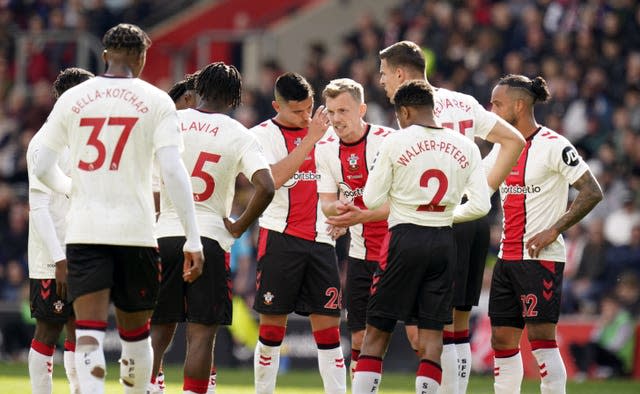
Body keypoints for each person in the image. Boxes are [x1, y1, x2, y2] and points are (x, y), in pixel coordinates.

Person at [33, 23, 204, 394]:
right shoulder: (157, 101)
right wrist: (193, 237)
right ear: (142, 58)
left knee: (89, 332)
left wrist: (71, 188)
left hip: (85, 230)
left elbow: (43, 165)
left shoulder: (73, 100)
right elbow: (174, 172)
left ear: (105, 55)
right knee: (135, 335)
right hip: (137, 232)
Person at [374, 40, 525, 394]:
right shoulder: (463, 101)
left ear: (399, 73)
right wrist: (480, 192)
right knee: (455, 325)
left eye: (383, 74)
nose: (381, 81)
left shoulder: (411, 109)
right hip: (469, 221)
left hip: (431, 222)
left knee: (422, 329)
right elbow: (514, 140)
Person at [351, 79, 491, 394]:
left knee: (377, 332)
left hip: (403, 238)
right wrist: (443, 215)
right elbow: (481, 205)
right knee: (432, 337)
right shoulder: (466, 145)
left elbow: (372, 200)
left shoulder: (396, 141)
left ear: (406, 110)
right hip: (443, 242)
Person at [150, 62, 275, 394]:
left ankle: (147, 387)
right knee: (202, 333)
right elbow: (266, 185)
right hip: (209, 239)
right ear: (234, 98)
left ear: (198, 91)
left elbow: (152, 186)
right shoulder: (239, 133)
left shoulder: (171, 121)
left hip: (164, 235)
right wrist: (239, 226)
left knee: (159, 326)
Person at [487, 74, 603, 394]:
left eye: (497, 103)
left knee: (540, 340)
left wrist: (555, 229)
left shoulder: (554, 145)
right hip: (505, 258)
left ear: (520, 105)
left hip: (539, 260)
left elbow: (592, 191)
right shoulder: (502, 148)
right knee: (502, 340)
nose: (491, 108)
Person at [250, 72, 346, 394]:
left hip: (322, 241)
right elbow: (272, 180)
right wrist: (309, 140)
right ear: (277, 105)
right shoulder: (261, 136)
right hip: (280, 237)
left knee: (330, 334)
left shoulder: (329, 135)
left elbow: (343, 182)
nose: (306, 117)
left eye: (309, 109)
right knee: (272, 330)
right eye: (297, 111)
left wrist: (345, 213)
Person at [314, 78, 394, 378]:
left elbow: (401, 202)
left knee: (417, 338)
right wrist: (342, 215)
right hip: (360, 254)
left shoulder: (388, 141)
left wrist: (355, 216)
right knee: (360, 339)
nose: (336, 119)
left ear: (362, 109)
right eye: (331, 112)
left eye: (343, 111)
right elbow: (327, 202)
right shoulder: (325, 150)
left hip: (398, 252)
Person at [150, 71, 222, 394]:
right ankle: (165, 379)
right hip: (202, 234)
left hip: (166, 234)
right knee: (197, 323)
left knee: (171, 320)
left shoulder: (166, 134)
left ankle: (154, 380)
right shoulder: (220, 133)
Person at [26, 67, 94, 394]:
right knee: (48, 329)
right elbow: (38, 208)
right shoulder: (43, 144)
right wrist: (58, 260)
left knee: (79, 330)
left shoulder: (80, 138)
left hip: (81, 249)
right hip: (51, 257)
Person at [569, 293, 636, 380]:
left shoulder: (625, 320)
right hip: (607, 355)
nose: (606, 309)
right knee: (574, 346)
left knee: (592, 346)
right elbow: (593, 339)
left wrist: (599, 348)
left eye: (609, 306)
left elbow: (616, 346)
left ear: (617, 306)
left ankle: (585, 373)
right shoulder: (604, 319)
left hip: (620, 360)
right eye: (604, 307)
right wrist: (602, 325)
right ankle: (582, 372)